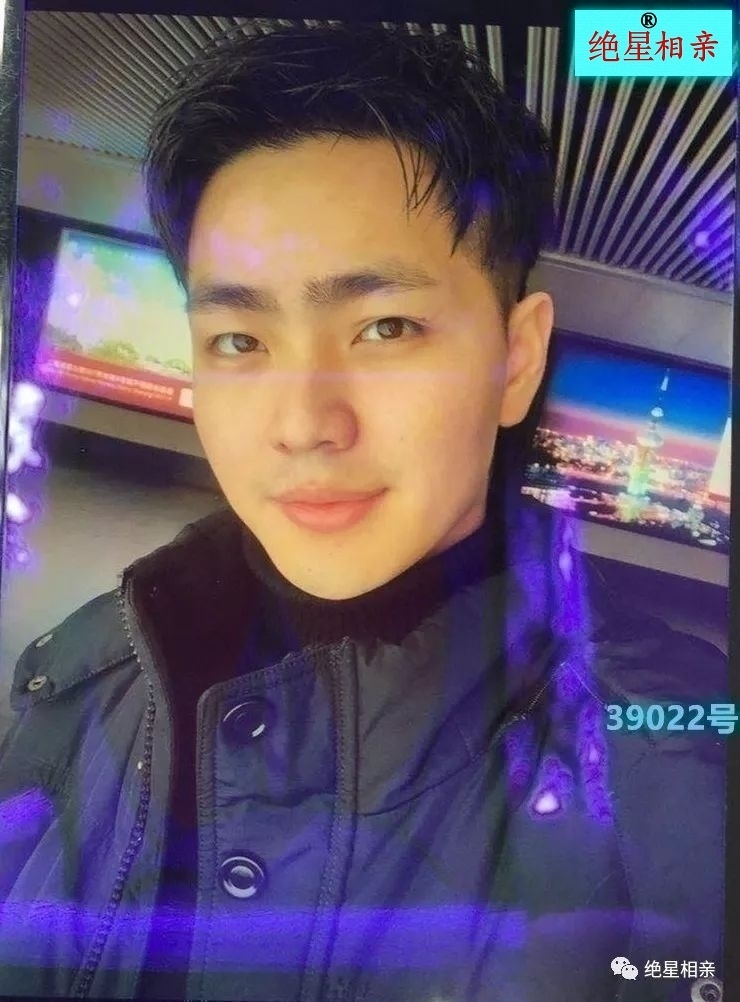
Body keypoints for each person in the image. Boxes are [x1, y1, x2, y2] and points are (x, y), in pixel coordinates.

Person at [0, 21, 726, 1002]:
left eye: (385, 327)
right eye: (239, 340)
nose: (304, 424)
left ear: (514, 361)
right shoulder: (76, 677)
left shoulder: (680, 772)